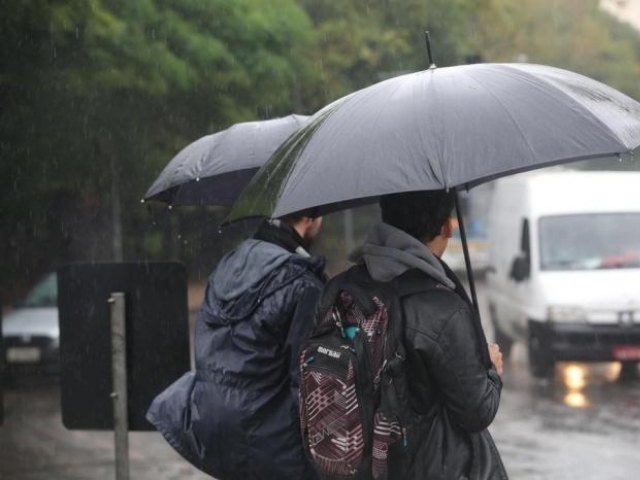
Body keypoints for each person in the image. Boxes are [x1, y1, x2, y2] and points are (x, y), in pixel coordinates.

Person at [147, 213, 325, 480]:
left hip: (216, 434)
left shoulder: (228, 266)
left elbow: (210, 353)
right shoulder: (303, 284)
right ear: (310, 218)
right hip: (274, 448)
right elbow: (307, 383)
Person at [348, 190, 507, 480]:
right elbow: (476, 411)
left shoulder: (343, 290)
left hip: (357, 464)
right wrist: (492, 371)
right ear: (448, 226)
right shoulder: (442, 309)